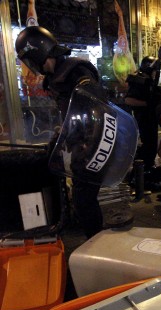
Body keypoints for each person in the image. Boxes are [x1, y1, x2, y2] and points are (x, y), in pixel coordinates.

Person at [15, 26, 105, 239]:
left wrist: (79, 135)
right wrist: (62, 131)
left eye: (31, 59)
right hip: (78, 142)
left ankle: (96, 242)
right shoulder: (56, 76)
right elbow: (70, 113)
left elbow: (94, 108)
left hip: (92, 143)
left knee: (85, 200)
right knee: (81, 198)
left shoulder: (76, 71)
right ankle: (90, 237)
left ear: (39, 52)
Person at [125, 56, 161, 191]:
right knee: (147, 148)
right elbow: (128, 100)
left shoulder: (147, 80)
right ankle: (139, 178)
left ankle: (144, 176)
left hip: (150, 118)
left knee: (151, 147)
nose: (156, 72)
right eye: (154, 69)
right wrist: (148, 104)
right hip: (143, 119)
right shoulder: (139, 79)